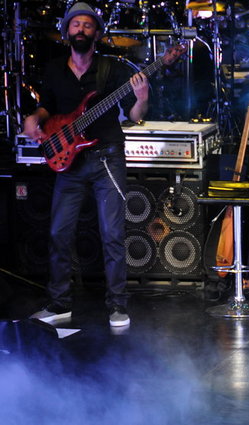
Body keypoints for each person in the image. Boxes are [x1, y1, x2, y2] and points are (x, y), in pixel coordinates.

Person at [22, 2, 149, 327]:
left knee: (112, 234)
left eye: (87, 25)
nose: (81, 29)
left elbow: (135, 116)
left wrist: (142, 98)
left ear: (97, 33)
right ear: (67, 31)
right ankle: (59, 303)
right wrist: (35, 118)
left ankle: (118, 305)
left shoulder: (111, 69)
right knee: (58, 232)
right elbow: (47, 107)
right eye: (75, 24)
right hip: (69, 160)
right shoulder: (54, 69)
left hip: (106, 156)